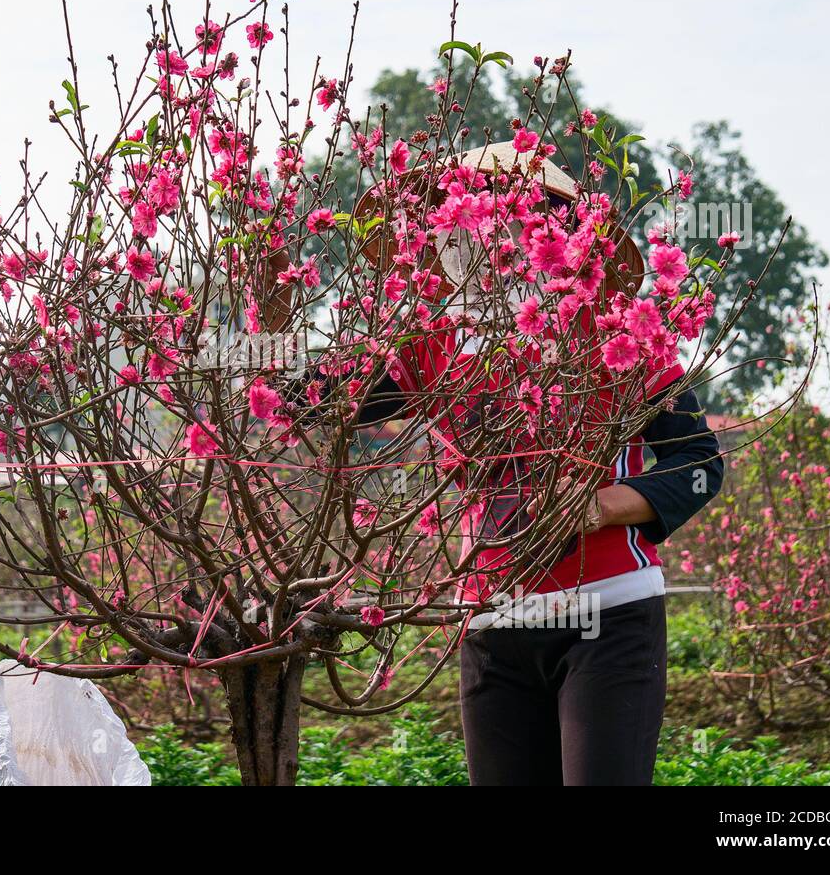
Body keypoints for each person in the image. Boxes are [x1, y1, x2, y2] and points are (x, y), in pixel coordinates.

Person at [265, 142, 723, 785]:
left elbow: (701, 463)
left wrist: (602, 505)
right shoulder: (431, 347)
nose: (482, 239)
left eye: (507, 219)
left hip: (608, 616)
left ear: (554, 231)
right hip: (492, 619)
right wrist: (271, 315)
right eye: (458, 224)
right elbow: (303, 401)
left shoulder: (619, 331)